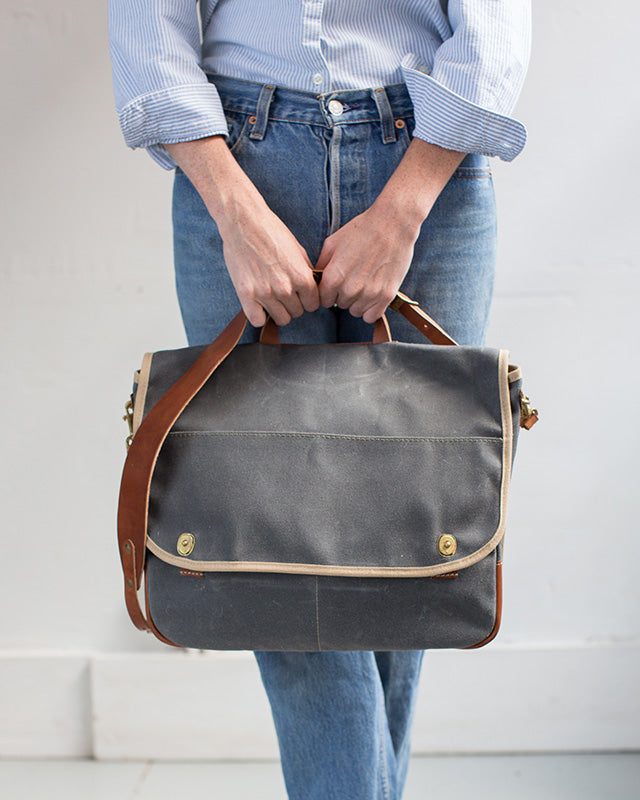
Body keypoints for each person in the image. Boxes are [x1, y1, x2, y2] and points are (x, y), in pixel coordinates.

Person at [108, 2, 531, 797]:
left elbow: (494, 28)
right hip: (235, 162)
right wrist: (235, 212)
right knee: (269, 550)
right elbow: (147, 26)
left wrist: (403, 210)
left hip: (430, 165)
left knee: (416, 546)